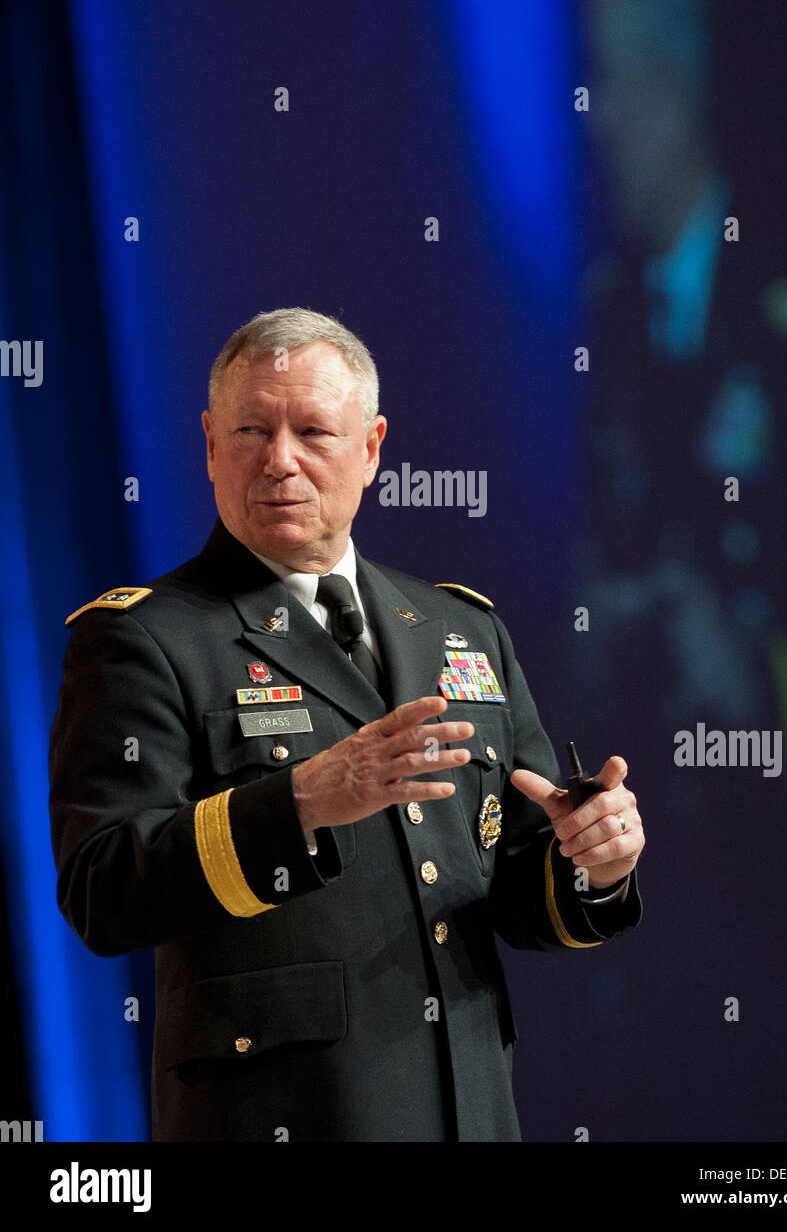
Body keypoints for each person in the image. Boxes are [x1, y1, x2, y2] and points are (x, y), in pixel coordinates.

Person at [49, 309, 644, 1143]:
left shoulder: (462, 628)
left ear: (371, 448)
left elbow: (512, 887)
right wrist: (295, 804)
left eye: (313, 431)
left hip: (468, 1109)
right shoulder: (145, 638)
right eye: (252, 429)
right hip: (286, 1115)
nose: (280, 459)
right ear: (211, 445)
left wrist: (591, 861)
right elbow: (102, 889)